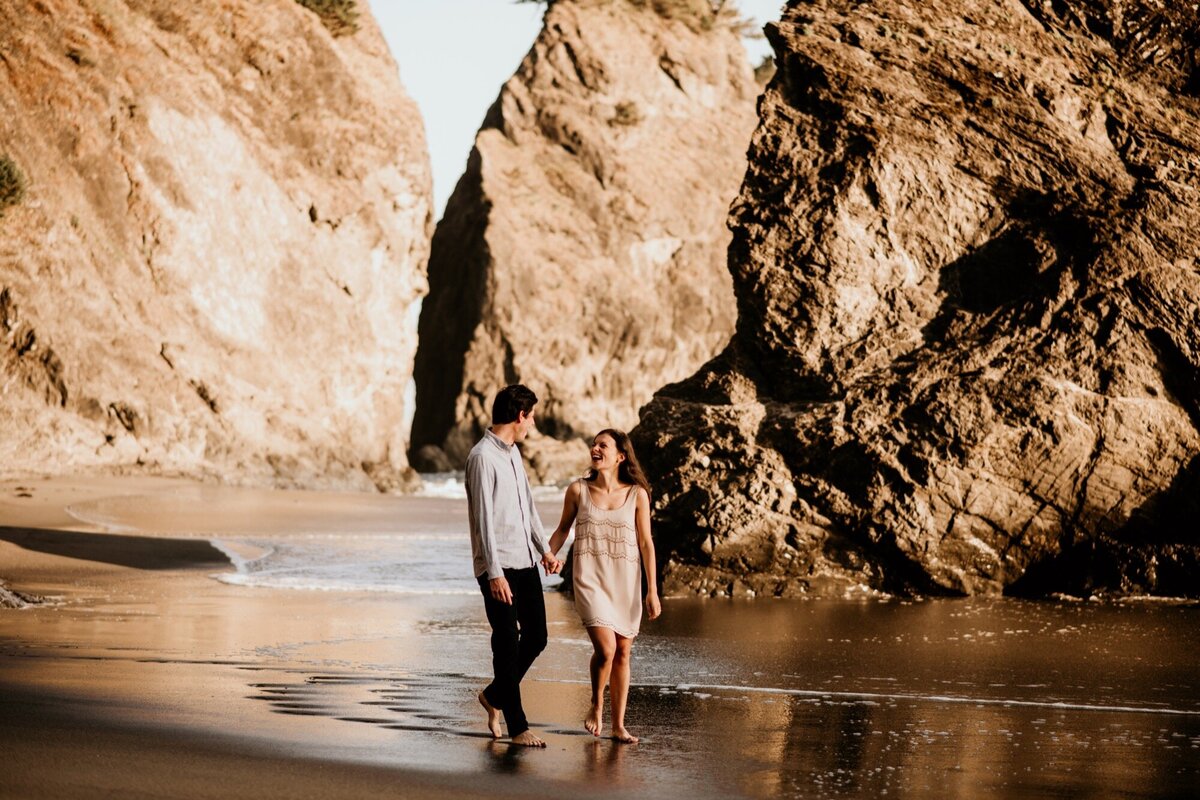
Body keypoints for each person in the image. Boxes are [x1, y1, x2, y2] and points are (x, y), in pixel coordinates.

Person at [547, 429, 661, 744]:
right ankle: (597, 703)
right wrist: (548, 554)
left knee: (623, 651)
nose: (595, 449)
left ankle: (618, 726)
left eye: (603, 445)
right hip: (589, 578)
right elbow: (562, 530)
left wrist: (652, 590)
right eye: (594, 444)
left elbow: (646, 544)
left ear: (621, 456)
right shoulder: (577, 490)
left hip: (626, 581)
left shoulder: (637, 494)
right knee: (607, 648)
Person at [467, 384, 562, 748]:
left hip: (524, 560)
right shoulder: (481, 457)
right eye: (531, 416)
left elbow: (529, 509)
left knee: (537, 637)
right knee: (506, 642)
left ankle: (494, 695)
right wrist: (493, 572)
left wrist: (545, 551)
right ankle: (518, 726)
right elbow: (483, 520)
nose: (532, 423)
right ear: (520, 415)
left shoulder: (513, 453)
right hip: (498, 565)